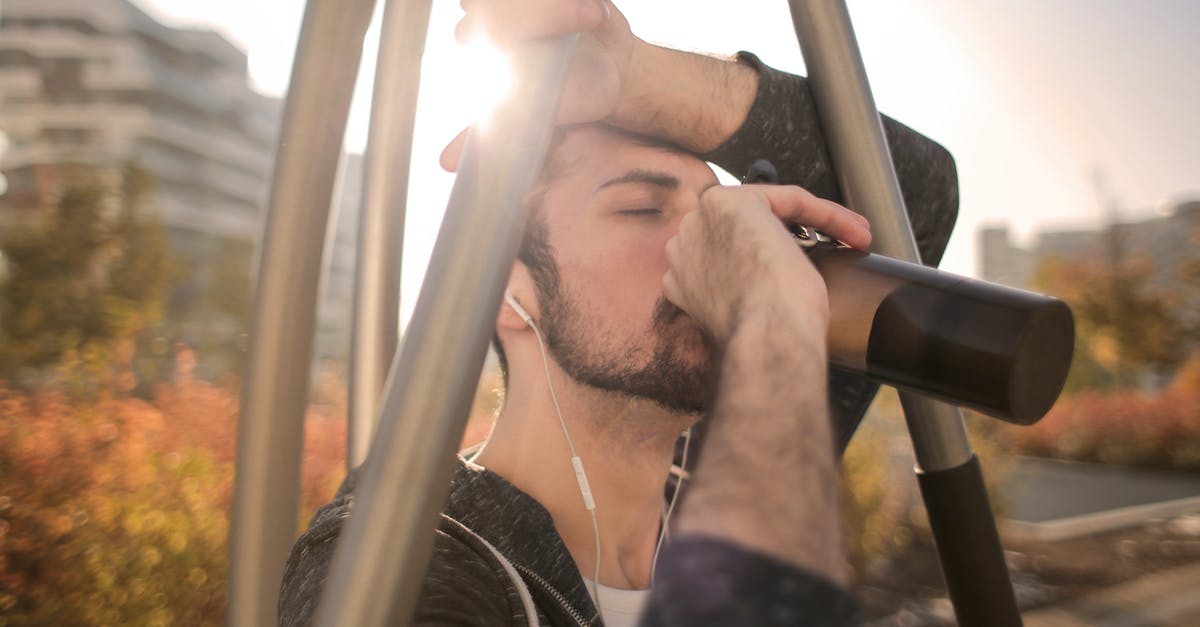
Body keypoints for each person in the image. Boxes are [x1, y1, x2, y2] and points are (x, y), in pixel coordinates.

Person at [279, 1, 957, 625]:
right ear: (508, 294)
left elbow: (907, 194)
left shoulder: (721, 459)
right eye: (642, 208)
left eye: (716, 212)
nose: (707, 248)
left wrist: (635, 77)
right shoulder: (400, 554)